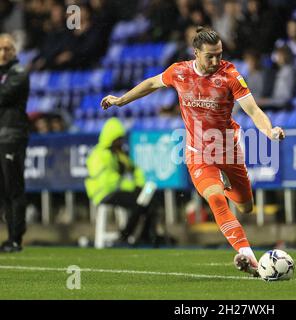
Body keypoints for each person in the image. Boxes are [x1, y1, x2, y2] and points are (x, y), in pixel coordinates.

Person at [100, 27, 285, 276]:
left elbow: (253, 110)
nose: (216, 61)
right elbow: (152, 83)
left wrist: (270, 131)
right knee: (216, 200)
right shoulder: (180, 72)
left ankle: (227, 182)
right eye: (210, 56)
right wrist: (121, 100)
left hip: (227, 149)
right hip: (198, 152)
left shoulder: (230, 75)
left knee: (246, 207)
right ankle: (249, 258)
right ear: (195, 53)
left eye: (219, 55)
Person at [85, 117, 159, 246]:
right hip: (103, 193)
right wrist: (132, 186)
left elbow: (135, 169)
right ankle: (126, 236)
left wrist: (140, 185)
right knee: (140, 203)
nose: (121, 142)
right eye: (118, 139)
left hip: (118, 190)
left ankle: (143, 236)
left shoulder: (118, 154)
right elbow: (107, 181)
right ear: (111, 138)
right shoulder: (99, 155)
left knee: (148, 201)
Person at [0, 33, 30, 253]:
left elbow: (3, 96)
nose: (3, 53)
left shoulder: (19, 73)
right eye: (0, 49)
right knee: (3, 191)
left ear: (14, 51)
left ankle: (16, 238)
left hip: (11, 137)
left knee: (14, 189)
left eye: (8, 49)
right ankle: (9, 237)